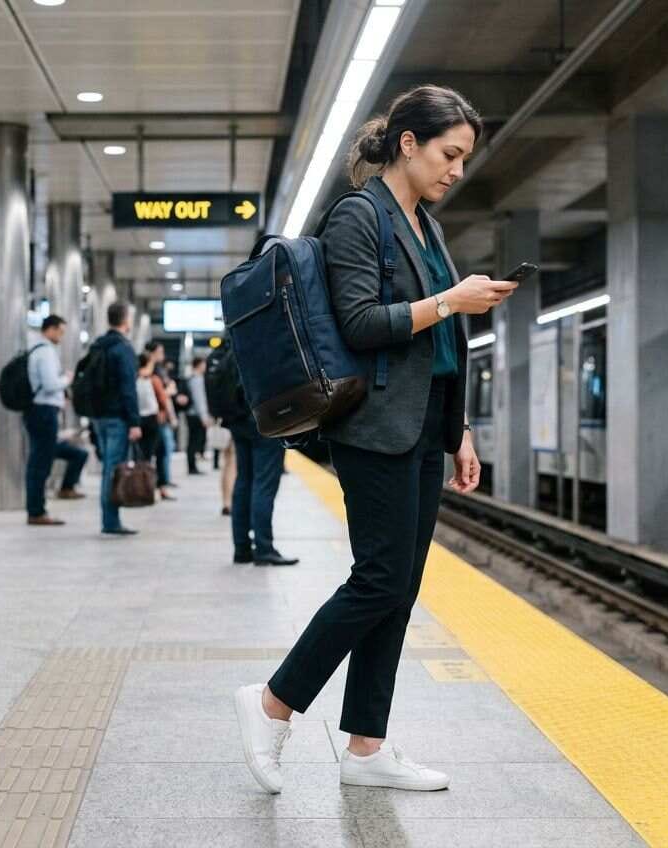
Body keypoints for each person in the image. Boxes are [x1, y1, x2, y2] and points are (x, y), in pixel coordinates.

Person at [234, 85, 518, 795]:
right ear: (408, 143)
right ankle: (271, 704)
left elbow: (442, 345)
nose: (457, 170)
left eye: (464, 159)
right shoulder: (358, 218)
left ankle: (366, 747)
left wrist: (461, 432)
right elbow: (361, 323)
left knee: (400, 590)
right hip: (376, 428)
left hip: (426, 425)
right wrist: (453, 298)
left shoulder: (426, 225)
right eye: (449, 154)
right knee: (379, 581)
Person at [25, 315, 90, 526]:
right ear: (50, 330)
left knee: (41, 459)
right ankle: (36, 511)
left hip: (41, 411)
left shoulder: (39, 350)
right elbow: (51, 384)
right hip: (43, 411)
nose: (61, 336)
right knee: (40, 463)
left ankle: (38, 507)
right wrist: (67, 380)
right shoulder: (45, 352)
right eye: (60, 331)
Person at [90, 301, 143, 536]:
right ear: (125, 320)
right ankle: (110, 521)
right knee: (113, 469)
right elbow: (128, 389)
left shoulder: (98, 346)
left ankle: (109, 518)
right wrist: (134, 421)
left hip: (98, 416)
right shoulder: (123, 348)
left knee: (108, 468)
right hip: (117, 418)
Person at [225, 399, 296, 567]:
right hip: (264, 417)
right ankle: (264, 548)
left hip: (237, 418)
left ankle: (241, 548)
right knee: (264, 483)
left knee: (243, 479)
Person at [145, 342, 179, 491]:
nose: (162, 355)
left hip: (159, 416)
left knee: (164, 450)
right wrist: (169, 390)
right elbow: (162, 394)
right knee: (161, 450)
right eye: (160, 351)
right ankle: (159, 484)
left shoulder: (159, 369)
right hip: (154, 416)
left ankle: (162, 482)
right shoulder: (150, 371)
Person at [183, 357, 211, 475]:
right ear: (199, 365)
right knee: (193, 441)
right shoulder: (197, 379)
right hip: (195, 415)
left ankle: (192, 466)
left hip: (192, 414)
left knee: (193, 441)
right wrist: (204, 417)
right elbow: (200, 399)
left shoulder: (191, 378)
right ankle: (192, 467)